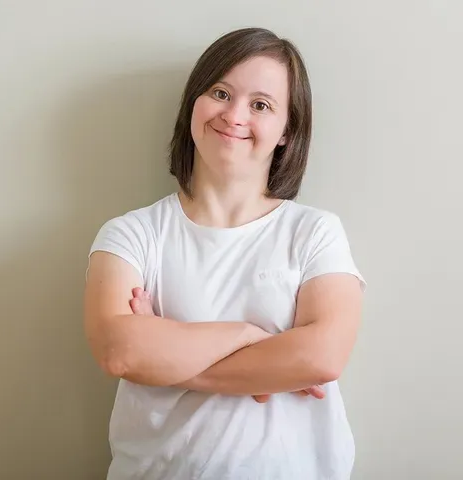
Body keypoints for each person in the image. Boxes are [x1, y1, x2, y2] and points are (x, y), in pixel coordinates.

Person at [84, 27, 366, 480]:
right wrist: (252, 339)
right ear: (194, 103)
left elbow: (322, 358)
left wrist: (169, 357)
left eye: (261, 104)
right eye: (220, 92)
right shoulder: (130, 234)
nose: (234, 114)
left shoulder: (315, 232)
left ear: (285, 133)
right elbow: (121, 353)